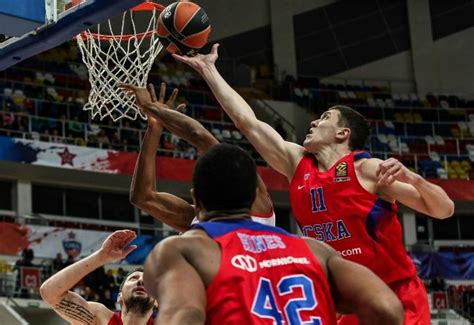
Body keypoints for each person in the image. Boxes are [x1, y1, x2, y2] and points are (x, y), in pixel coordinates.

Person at [171, 43, 455, 324]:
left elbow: (444, 210)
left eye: (324, 118)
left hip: (396, 296)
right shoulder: (297, 163)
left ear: (343, 133)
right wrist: (209, 71)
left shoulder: (367, 169)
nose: (313, 123)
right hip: (345, 301)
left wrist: (413, 177)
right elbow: (248, 122)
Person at [143, 143, 403, 324]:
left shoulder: (184, 251)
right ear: (254, 196)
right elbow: (386, 308)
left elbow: (184, 316)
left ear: (196, 200)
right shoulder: (316, 250)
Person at [121, 82, 275, 232]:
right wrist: (155, 127)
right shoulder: (202, 218)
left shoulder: (256, 205)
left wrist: (150, 107)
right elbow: (142, 198)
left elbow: (198, 135)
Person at [40, 230, 156, 325]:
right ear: (119, 296)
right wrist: (101, 257)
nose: (141, 281)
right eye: (133, 278)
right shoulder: (100, 318)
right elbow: (50, 292)